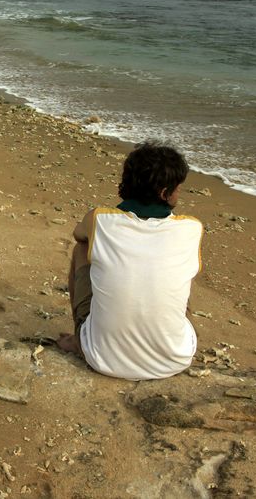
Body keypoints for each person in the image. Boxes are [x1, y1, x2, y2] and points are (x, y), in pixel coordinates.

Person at [58, 141, 203, 380]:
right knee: (178, 266)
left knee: (82, 249)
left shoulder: (100, 219)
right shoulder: (191, 227)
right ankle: (160, 336)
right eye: (178, 188)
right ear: (164, 193)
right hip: (174, 360)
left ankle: (79, 338)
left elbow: (78, 235)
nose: (179, 193)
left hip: (102, 358)